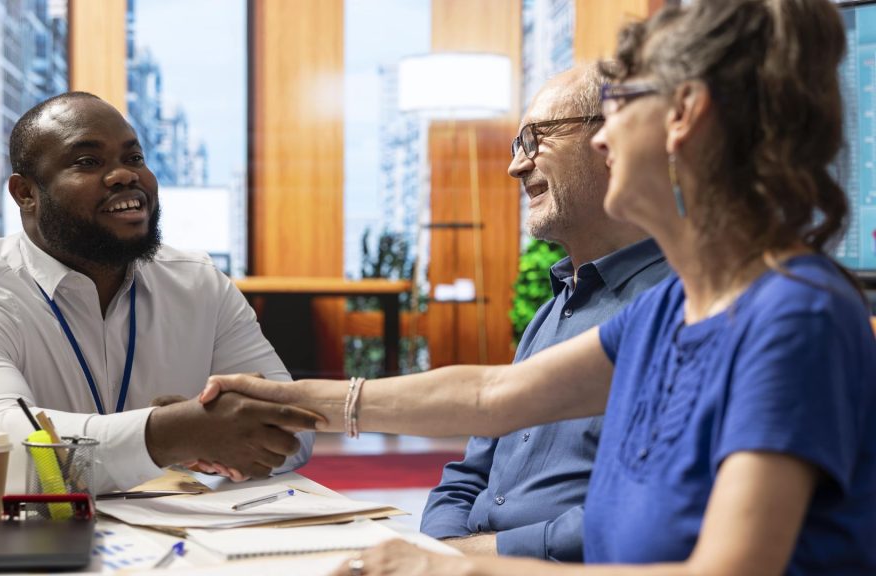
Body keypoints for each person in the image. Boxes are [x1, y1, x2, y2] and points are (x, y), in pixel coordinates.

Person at [201, 0, 876, 573]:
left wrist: (462, 567)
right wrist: (286, 399)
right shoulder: (676, 306)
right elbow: (490, 397)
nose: (603, 134)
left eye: (617, 103)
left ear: (684, 115)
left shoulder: (796, 314)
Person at [0, 92, 319, 493]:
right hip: (42, 546)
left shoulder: (199, 284)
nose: (125, 175)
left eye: (134, 158)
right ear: (26, 193)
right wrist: (169, 435)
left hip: (190, 541)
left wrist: (214, 437)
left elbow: (293, 431)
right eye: (88, 162)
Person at [420, 64, 668, 560]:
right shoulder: (552, 310)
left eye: (535, 138)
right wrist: (444, 548)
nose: (515, 166)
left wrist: (484, 558)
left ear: (613, 142)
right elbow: (469, 472)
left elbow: (643, 513)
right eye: (517, 144)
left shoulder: (674, 307)